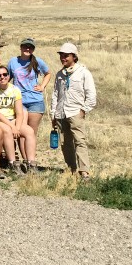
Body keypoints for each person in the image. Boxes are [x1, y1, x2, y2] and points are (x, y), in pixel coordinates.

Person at [51, 42, 97, 180]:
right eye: (61, 56)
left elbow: (91, 94)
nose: (63, 58)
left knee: (79, 141)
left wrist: (84, 110)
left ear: (74, 56)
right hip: (61, 112)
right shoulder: (60, 74)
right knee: (65, 142)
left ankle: (84, 171)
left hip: (75, 112)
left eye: (66, 55)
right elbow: (55, 94)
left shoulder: (83, 72)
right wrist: (53, 113)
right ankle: (71, 168)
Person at [0, 37, 51, 139]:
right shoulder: (13, 61)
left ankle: (31, 155)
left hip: (35, 101)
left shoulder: (37, 61)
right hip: (19, 101)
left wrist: (42, 86)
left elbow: (48, 73)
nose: (27, 49)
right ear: (20, 48)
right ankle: (24, 155)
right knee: (20, 131)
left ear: (33, 49)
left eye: (30, 47)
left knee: (32, 133)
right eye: (25, 47)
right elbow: (6, 78)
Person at [0, 66, 38, 174]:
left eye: (5, 74)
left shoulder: (15, 89)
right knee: (7, 130)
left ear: (8, 76)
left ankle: (31, 163)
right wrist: (12, 127)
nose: (2, 77)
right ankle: (12, 163)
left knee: (29, 131)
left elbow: (19, 112)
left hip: (13, 119)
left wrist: (17, 127)